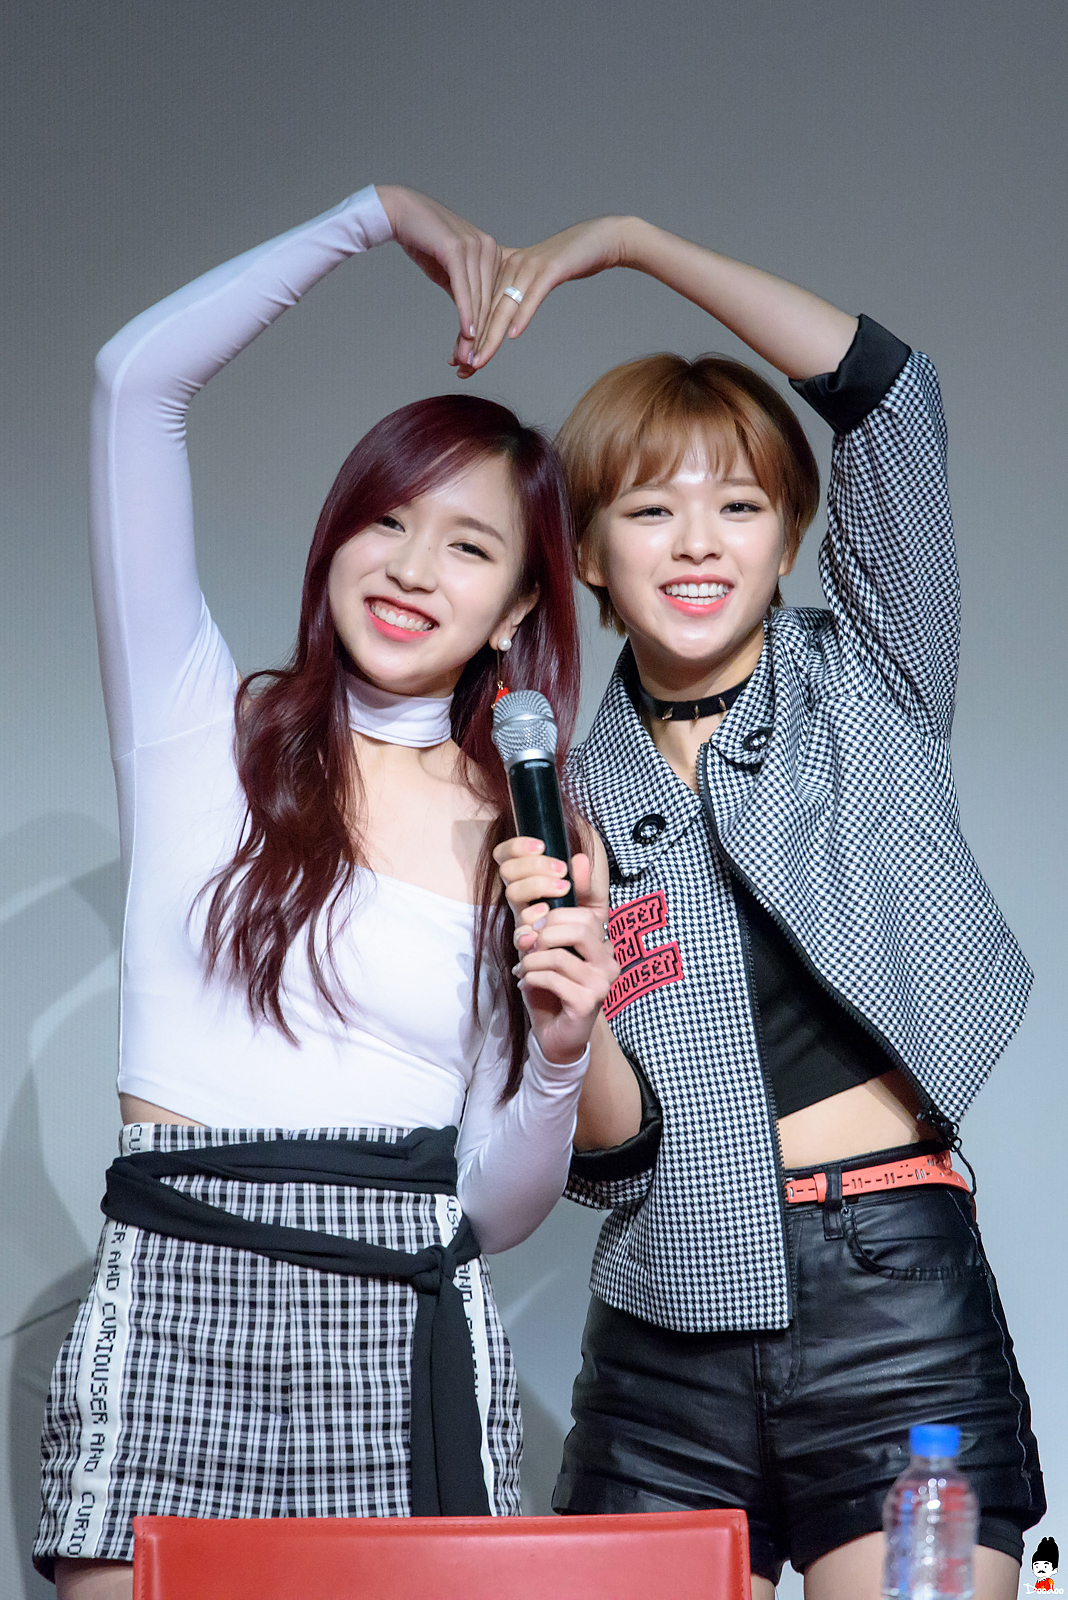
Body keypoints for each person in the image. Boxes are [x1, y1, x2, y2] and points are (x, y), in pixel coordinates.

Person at [35, 184, 618, 1599]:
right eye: (387, 522)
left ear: (518, 606)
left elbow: (493, 1209)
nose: (413, 570)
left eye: (469, 546)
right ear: (336, 537)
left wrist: (559, 1054)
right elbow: (132, 385)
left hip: (401, 1330)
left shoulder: (525, 834)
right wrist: (369, 219)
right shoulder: (202, 732)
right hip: (176, 1293)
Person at [484, 215, 1045, 1599]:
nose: (697, 543)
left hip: (895, 1304)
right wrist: (570, 997)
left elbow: (892, 392)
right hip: (663, 1325)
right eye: (648, 510)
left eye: (738, 507)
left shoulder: (873, 676)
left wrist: (630, 243)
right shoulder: (562, 800)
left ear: (791, 538)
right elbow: (609, 1155)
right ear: (588, 555)